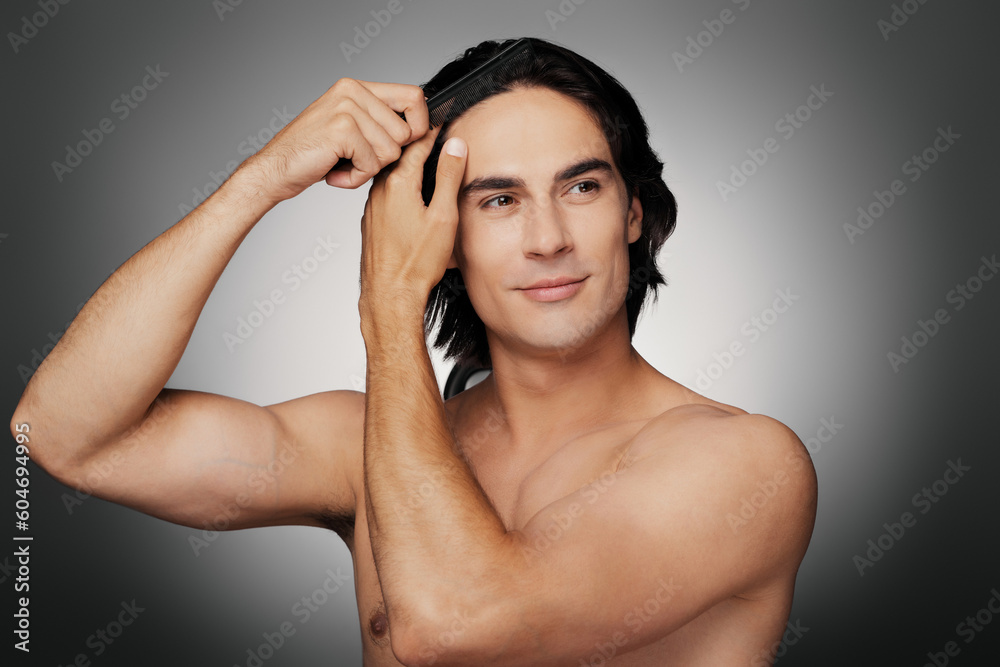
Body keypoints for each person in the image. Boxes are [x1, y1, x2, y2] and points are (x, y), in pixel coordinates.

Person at [11, 37, 817, 665]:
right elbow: (65, 433)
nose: (548, 239)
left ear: (633, 214)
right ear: (444, 236)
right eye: (498, 200)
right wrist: (259, 181)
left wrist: (389, 299)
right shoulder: (368, 450)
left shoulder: (745, 465)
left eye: (582, 186)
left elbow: (453, 623)